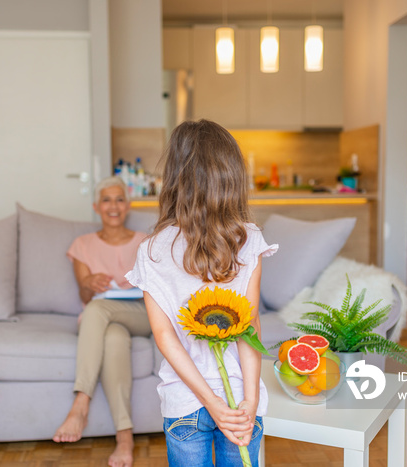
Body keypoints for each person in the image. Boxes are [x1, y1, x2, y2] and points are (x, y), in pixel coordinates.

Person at [126, 119, 278, 466]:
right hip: (242, 401)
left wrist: (210, 402)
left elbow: (166, 339)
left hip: (184, 400)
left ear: (176, 177)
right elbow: (249, 328)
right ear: (232, 177)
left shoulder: (152, 251)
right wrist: (251, 400)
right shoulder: (248, 239)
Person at [52, 176, 151, 467]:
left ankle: (81, 402)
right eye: (106, 200)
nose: (113, 205)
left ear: (128, 205)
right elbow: (84, 292)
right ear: (96, 206)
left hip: (140, 313)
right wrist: (89, 282)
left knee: (96, 311)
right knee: (113, 338)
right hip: (104, 318)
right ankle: (125, 438)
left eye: (119, 199)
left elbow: (157, 292)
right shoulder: (81, 245)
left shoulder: (145, 243)